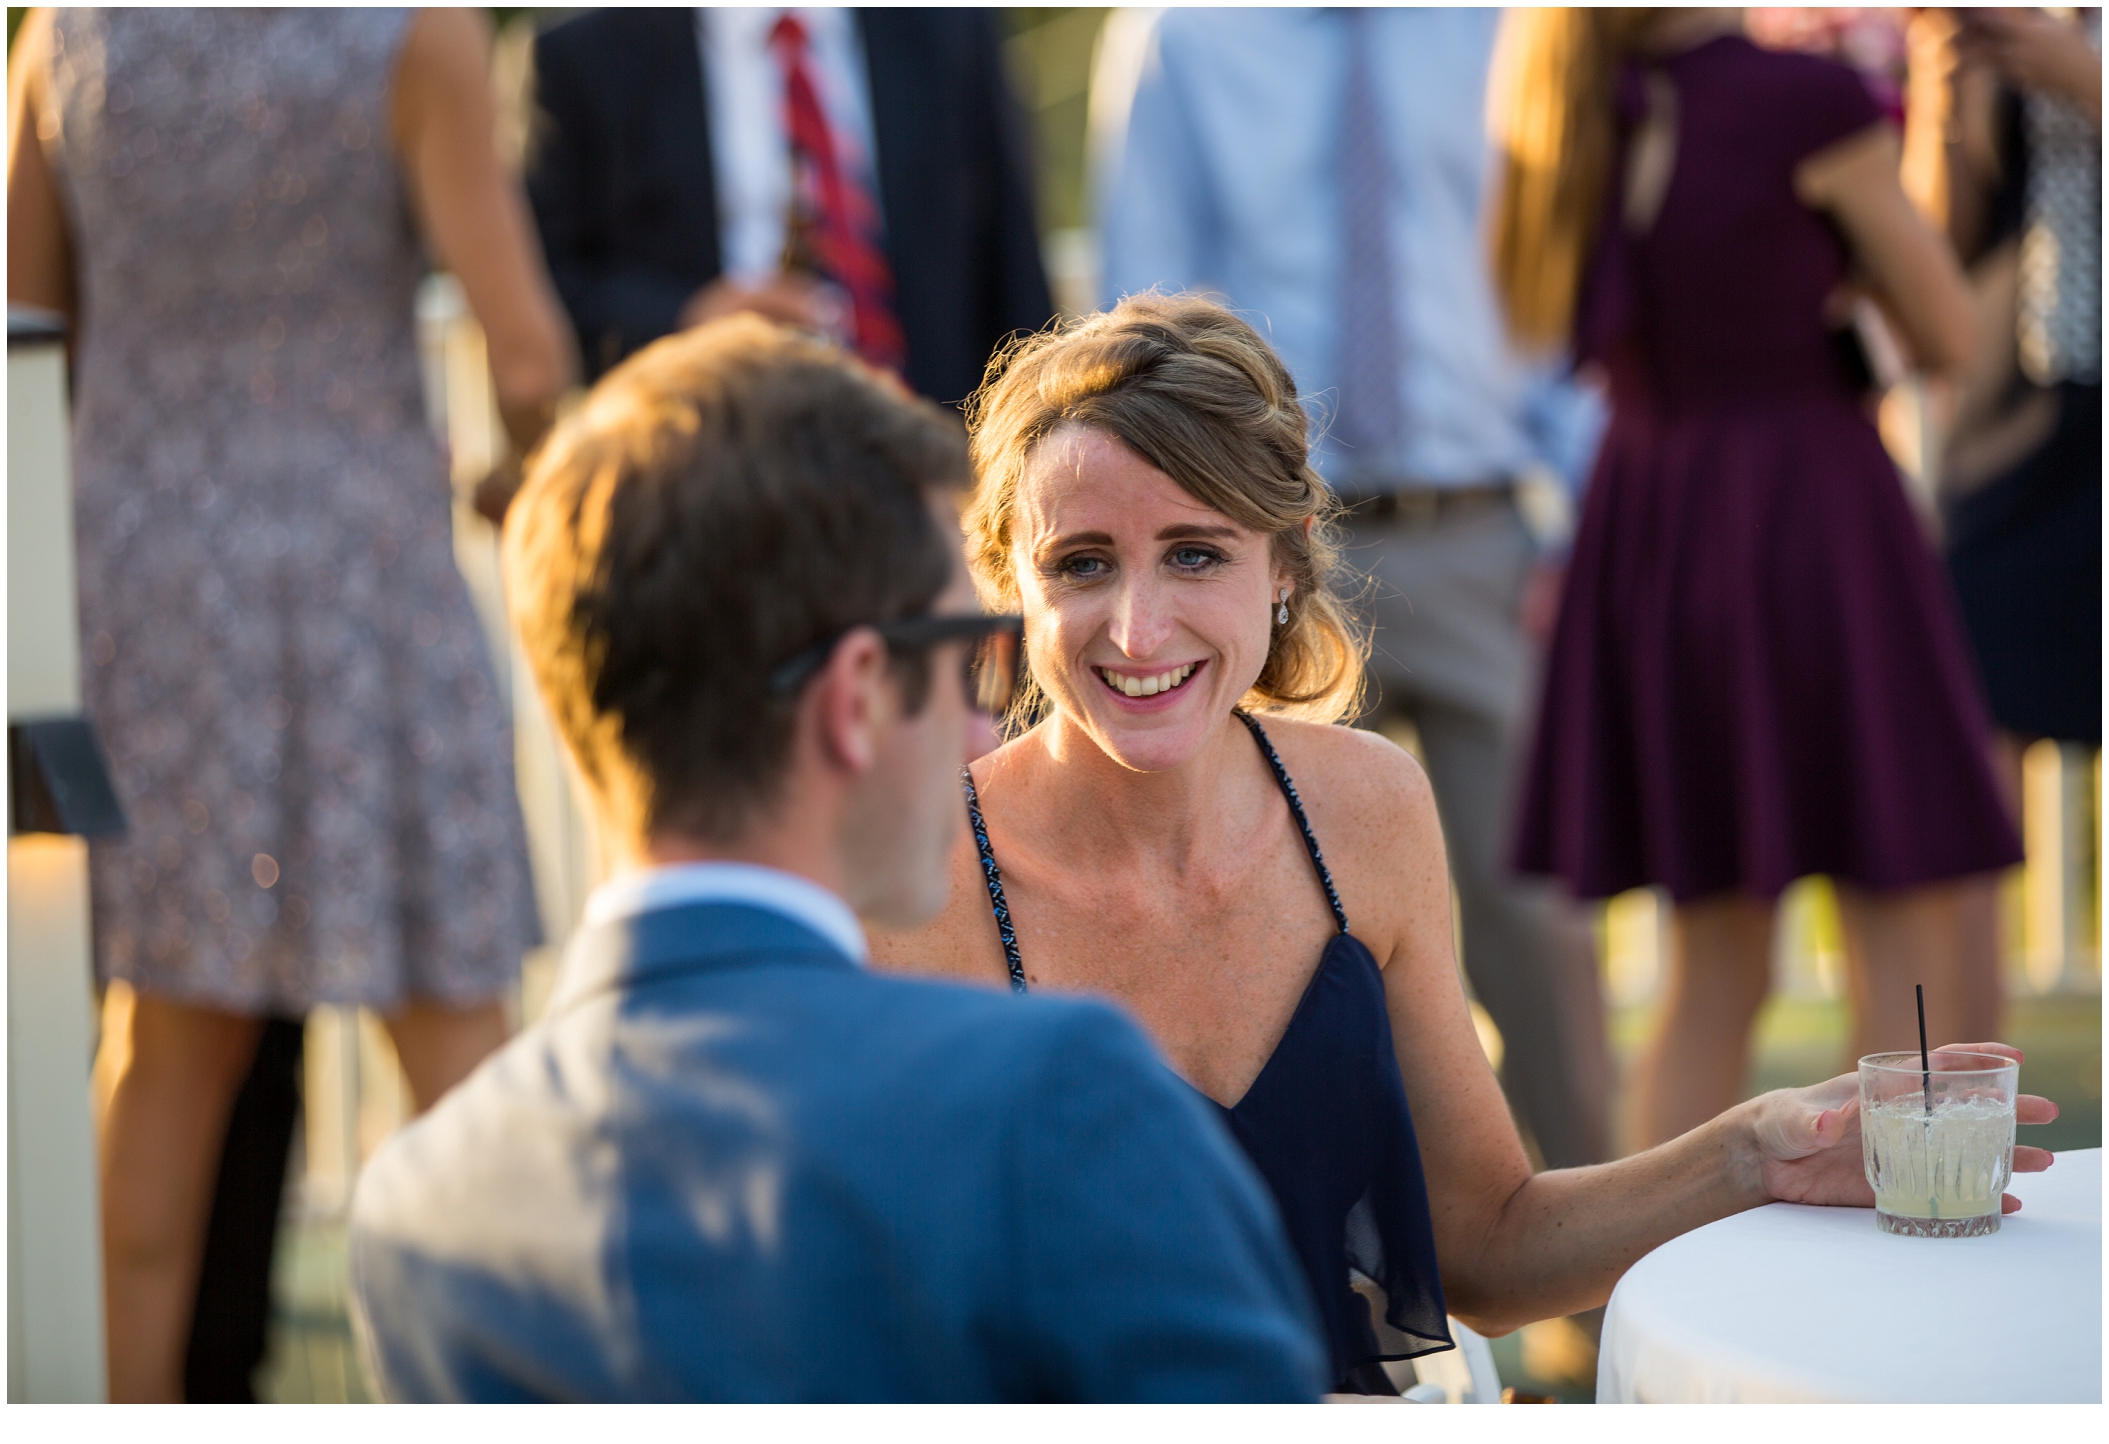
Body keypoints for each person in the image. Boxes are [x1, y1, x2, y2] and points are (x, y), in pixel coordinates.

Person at [869, 291, 2057, 1395]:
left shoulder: (1367, 810)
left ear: (1281, 564)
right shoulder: (914, 882)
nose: (1137, 626)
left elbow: (1487, 1245)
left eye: (1195, 552)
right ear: (1006, 583)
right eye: (1081, 563)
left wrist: (1756, 1155)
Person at [345, 316, 1329, 1404]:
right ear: (859, 694)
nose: (978, 728)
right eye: (969, 657)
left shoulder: (414, 1210)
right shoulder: (1054, 1099)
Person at [6, 7, 574, 1401]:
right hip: (359, 579)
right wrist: (513, 480)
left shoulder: (71, 34)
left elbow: (24, 333)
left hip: (145, 592)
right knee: (463, 1063)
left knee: (161, 1044)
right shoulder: (409, 35)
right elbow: (527, 359)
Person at [1488, 9, 2024, 1149]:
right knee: (1903, 922)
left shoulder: (1564, 104)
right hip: (1810, 527)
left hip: (1653, 537)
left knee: (1714, 966)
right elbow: (1949, 332)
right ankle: (1916, 1273)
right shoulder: (1803, 104)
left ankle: (1650, 1278)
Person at [1091, 6, 1613, 1173]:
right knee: (1278, 933)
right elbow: (1144, 305)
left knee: (1541, 930)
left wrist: (1576, 523)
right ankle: (1326, 1294)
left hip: (1483, 535)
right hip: (1262, 558)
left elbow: (1558, 277)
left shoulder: (1504, 27)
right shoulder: (1185, 37)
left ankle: (1597, 1305)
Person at [523, 6, 1051, 399]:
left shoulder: (949, 27)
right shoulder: (582, 57)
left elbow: (1013, 271)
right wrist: (689, 321)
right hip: (704, 471)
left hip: (931, 466)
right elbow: (543, 293)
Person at [1907, 7, 2099, 767]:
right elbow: (1935, 246)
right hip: (2011, 419)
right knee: (1966, 704)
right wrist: (1941, 89)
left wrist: (2083, 79)